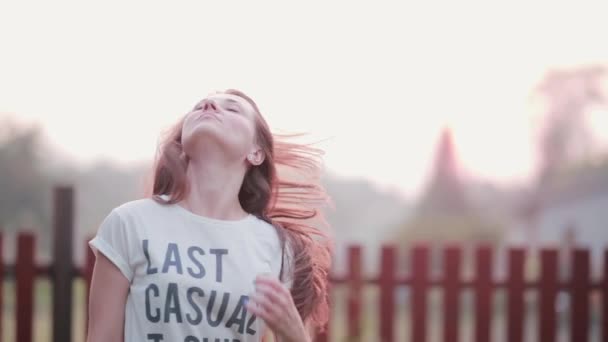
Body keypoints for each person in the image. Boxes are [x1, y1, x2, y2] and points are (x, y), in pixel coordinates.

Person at [86, 89, 332, 342]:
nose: (210, 104)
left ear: (256, 152)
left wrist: (294, 334)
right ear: (182, 145)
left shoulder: (280, 249)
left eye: (233, 109)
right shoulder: (130, 223)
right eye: (199, 106)